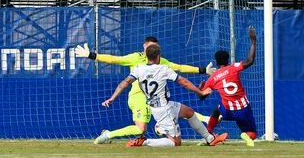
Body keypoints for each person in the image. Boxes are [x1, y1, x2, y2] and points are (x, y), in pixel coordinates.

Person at [75, 37, 216, 144]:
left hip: (153, 99)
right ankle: (108, 135)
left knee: (184, 110)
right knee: (141, 129)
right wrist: (92, 55)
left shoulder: (161, 61)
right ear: (145, 46)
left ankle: (201, 123)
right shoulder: (135, 58)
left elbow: (179, 67)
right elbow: (114, 59)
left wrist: (202, 70)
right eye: (151, 46)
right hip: (139, 97)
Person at [101, 44, 228, 147]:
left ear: (146, 56)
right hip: (163, 109)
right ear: (158, 57)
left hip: (159, 105)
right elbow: (183, 81)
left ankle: (209, 138)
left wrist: (112, 98)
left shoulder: (138, 69)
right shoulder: (163, 69)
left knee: (189, 112)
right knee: (175, 142)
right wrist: (200, 92)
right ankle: (144, 142)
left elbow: (124, 83)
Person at [199, 26, 257, 147]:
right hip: (244, 109)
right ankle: (246, 135)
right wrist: (253, 41)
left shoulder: (213, 78)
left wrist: (200, 88)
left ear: (216, 62)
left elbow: (202, 97)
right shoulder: (234, 68)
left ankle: (209, 134)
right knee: (252, 133)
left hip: (228, 111)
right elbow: (250, 61)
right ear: (228, 60)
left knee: (217, 110)